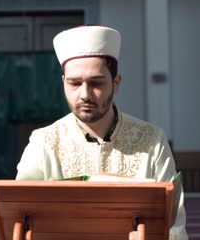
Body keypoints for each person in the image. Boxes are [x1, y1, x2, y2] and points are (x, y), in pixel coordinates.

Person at [16, 25, 188, 240]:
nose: (84, 94)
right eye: (74, 83)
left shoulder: (151, 140)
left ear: (116, 83)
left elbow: (173, 226)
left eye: (96, 83)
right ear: (63, 83)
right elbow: (22, 221)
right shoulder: (43, 143)